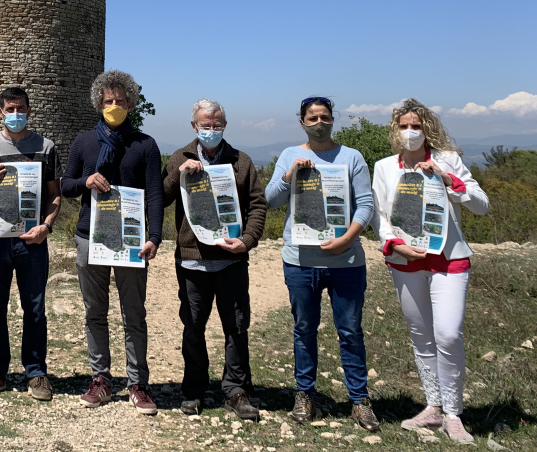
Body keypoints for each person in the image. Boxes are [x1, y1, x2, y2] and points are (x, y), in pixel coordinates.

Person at [371, 99, 489, 445]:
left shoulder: (448, 160)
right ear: (395, 129)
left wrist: (448, 179)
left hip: (448, 260)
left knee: (448, 334)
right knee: (421, 335)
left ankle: (454, 413)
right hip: (405, 261)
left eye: (417, 126)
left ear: (428, 129)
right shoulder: (384, 167)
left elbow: (481, 206)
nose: (410, 132)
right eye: (404, 125)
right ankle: (433, 405)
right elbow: (379, 215)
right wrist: (393, 244)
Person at [264, 96, 380, 431]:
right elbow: (271, 201)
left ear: (333, 120)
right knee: (303, 329)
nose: (319, 123)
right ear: (302, 122)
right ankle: (305, 394)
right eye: (312, 118)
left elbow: (365, 203)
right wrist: (288, 175)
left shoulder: (351, 157)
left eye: (325, 117)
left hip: (347, 259)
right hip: (300, 260)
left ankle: (359, 400)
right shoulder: (289, 154)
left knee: (351, 331)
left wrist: (348, 238)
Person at [61, 70, 164, 415]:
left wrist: (154, 237)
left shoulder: (145, 145)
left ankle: (138, 384)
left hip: (131, 241)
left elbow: (154, 195)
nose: (114, 106)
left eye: (120, 101)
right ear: (98, 104)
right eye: (108, 101)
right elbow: (65, 185)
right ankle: (101, 379)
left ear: (131, 103)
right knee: (95, 313)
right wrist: (85, 181)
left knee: (133, 314)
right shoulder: (83, 142)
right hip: (90, 237)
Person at [161, 99, 268, 420]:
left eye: (216, 125)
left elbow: (258, 205)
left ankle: (236, 390)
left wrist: (247, 241)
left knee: (235, 326)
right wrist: (177, 176)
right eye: (205, 125)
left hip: (231, 261)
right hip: (192, 261)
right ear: (194, 126)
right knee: (193, 327)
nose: (211, 130)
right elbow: (162, 197)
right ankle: (193, 390)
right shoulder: (180, 157)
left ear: (224, 125)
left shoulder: (242, 161)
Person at [0, 87, 63, 401]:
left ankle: (35, 373)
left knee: (34, 309)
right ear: (0, 112)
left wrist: (46, 226)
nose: (14, 114)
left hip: (31, 240)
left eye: (20, 108)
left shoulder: (45, 147)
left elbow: (54, 195)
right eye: (9, 109)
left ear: (29, 111)